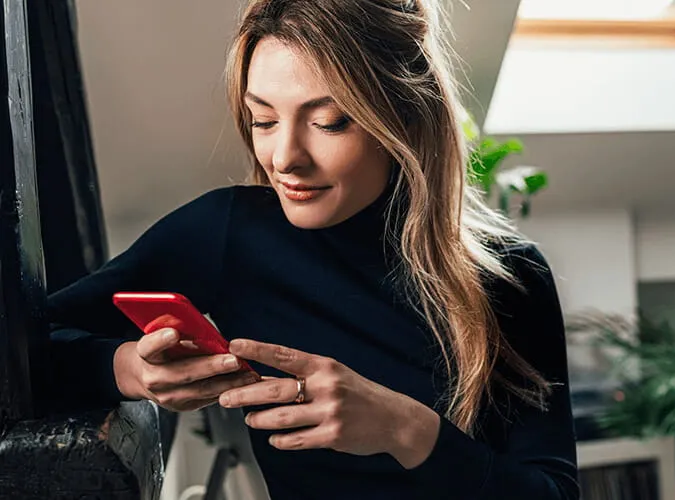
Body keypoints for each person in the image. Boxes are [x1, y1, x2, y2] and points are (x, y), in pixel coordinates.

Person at [43, 0, 579, 498]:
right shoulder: (227, 232)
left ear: (406, 118)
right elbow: (27, 346)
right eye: (264, 120)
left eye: (328, 122)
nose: (285, 158)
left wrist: (404, 429)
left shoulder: (511, 277)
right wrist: (126, 368)